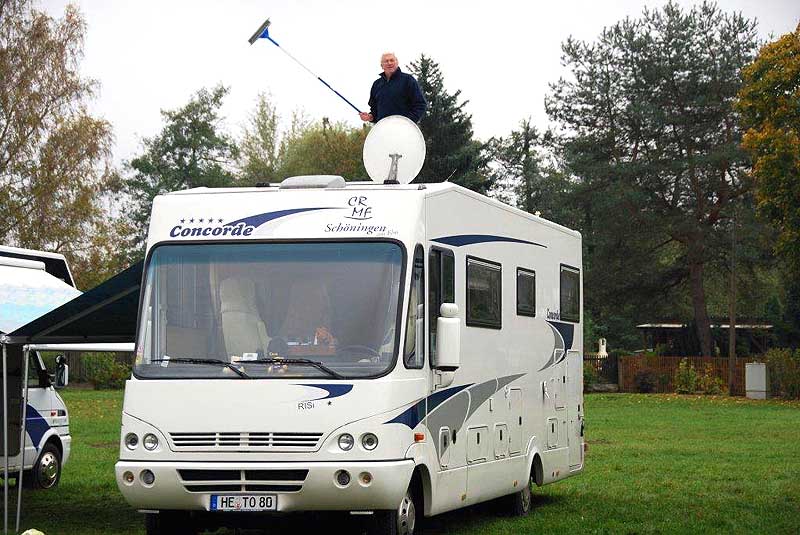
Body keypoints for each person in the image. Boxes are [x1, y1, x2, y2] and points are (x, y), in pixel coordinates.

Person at [359, 52, 426, 124]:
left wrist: (407, 122)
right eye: (386, 61)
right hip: (383, 130)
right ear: (382, 65)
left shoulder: (408, 80)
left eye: (392, 60)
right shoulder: (376, 85)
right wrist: (370, 117)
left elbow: (420, 105)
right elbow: (375, 111)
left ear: (397, 63)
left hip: (405, 130)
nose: (389, 63)